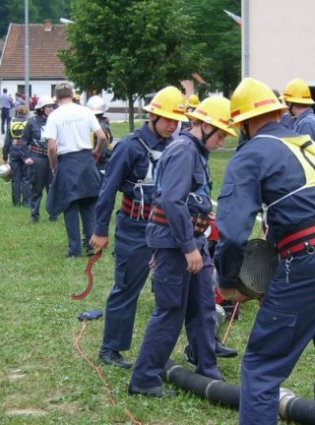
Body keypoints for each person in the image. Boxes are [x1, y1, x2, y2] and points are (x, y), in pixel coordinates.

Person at [214, 77, 315, 424]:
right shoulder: (308, 145)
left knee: (262, 368)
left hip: (309, 264)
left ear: (243, 124)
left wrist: (229, 282)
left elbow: (230, 234)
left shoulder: (252, 153)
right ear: (278, 113)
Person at [127, 96, 234, 398]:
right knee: (171, 310)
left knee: (202, 307)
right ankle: (144, 379)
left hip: (193, 241)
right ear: (204, 126)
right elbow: (171, 202)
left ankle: (208, 370)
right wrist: (188, 248)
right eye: (222, 134)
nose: (223, 142)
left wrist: (200, 227)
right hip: (177, 245)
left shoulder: (196, 152)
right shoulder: (185, 151)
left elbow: (188, 199)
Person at [89, 86, 187, 369]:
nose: (173, 125)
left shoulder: (177, 146)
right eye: (167, 119)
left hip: (166, 230)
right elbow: (107, 190)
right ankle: (111, 349)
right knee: (127, 288)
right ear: (153, 116)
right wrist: (100, 229)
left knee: (176, 292)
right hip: (134, 228)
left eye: (176, 120)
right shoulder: (129, 147)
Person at [44, 82, 106, 258]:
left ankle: (74, 249)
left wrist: (54, 165)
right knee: (89, 205)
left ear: (56, 97)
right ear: (72, 94)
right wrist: (96, 152)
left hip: (67, 163)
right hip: (86, 161)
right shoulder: (85, 111)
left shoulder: (55, 116)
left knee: (70, 207)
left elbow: (51, 148)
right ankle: (91, 246)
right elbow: (101, 136)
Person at [23, 95, 56, 222]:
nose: (51, 109)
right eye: (48, 106)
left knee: (52, 187)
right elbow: (24, 141)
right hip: (37, 158)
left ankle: (53, 215)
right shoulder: (32, 122)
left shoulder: (55, 121)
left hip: (52, 158)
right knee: (36, 188)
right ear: (42, 108)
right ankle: (34, 215)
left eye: (52, 106)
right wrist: (27, 157)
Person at [281, 78, 315, 148]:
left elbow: (305, 154)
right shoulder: (302, 121)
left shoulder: (307, 125)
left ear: (290, 103)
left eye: (286, 102)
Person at [2, 105, 30, 206]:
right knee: (26, 178)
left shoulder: (11, 123)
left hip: (13, 150)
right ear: (26, 112)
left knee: (15, 178)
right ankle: (26, 202)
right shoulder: (29, 123)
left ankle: (16, 202)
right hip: (25, 150)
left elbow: (7, 142)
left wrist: (5, 156)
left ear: (17, 112)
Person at [86, 95, 114, 174]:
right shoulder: (104, 126)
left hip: (91, 160)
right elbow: (110, 139)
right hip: (103, 160)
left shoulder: (88, 125)